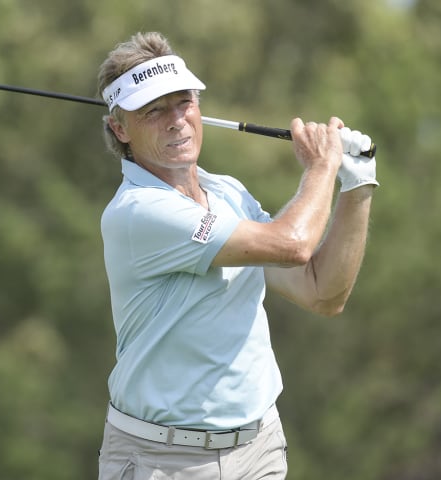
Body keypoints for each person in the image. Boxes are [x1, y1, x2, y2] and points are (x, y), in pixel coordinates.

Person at [95, 31, 378, 480]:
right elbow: (293, 244)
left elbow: (323, 292)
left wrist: (356, 186)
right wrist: (323, 166)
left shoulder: (227, 192)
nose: (176, 121)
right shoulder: (139, 212)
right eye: (153, 110)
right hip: (164, 460)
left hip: (259, 448)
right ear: (119, 128)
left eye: (184, 101)